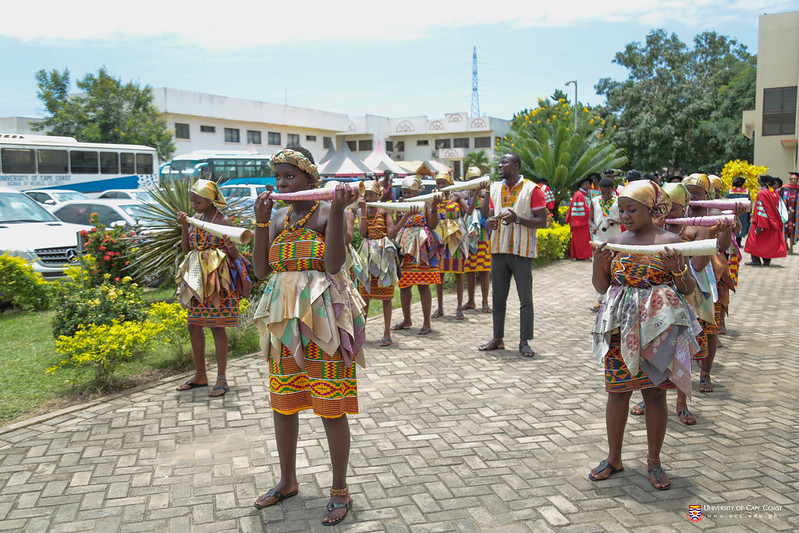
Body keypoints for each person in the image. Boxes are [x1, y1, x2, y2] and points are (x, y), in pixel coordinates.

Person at [250, 147, 366, 526]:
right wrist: (261, 223)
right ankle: (287, 480)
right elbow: (260, 269)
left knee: (330, 406)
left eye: (290, 177)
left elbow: (332, 264)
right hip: (284, 324)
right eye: (278, 177)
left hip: (323, 322)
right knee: (283, 404)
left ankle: (339, 489)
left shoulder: (331, 211)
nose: (282, 183)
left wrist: (336, 210)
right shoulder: (280, 216)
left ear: (310, 179)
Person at [589, 180, 699, 490]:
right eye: (621, 209)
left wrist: (677, 268)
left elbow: (688, 288)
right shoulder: (617, 241)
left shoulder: (669, 240)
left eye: (632, 209)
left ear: (651, 209)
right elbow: (603, 286)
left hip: (657, 328)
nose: (624, 215)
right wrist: (599, 264)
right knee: (617, 392)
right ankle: (614, 458)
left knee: (654, 393)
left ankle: (654, 461)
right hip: (620, 328)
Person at [630, 182, 712, 425]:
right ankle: (648, 396)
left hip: (682, 299)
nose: (667, 215)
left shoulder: (687, 232)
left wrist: (676, 267)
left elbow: (694, 270)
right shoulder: (647, 233)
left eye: (674, 209)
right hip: (652, 307)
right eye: (662, 209)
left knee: (680, 352)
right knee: (650, 352)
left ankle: (682, 402)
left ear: (685, 208)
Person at [175, 180, 251, 397]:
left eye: (197, 201)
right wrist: (184, 225)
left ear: (210, 200)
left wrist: (229, 244)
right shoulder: (196, 220)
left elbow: (235, 254)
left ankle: (221, 378)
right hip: (198, 279)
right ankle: (200, 375)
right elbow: (187, 248)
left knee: (217, 327)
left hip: (218, 281)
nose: (194, 205)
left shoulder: (224, 221)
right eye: (192, 202)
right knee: (193, 325)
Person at [477, 152, 548, 358]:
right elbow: (488, 216)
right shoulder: (495, 188)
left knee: (525, 299)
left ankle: (524, 341)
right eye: (499, 162)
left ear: (516, 166)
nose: (500, 165)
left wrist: (518, 219)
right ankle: (497, 339)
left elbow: (542, 221)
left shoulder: (532, 189)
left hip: (522, 251)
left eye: (504, 162)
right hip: (498, 250)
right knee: (498, 298)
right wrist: (489, 223)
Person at [389, 175, 442, 335]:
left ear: (418, 191)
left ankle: (427, 322)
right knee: (404, 286)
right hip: (405, 250)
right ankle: (407, 319)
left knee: (423, 286)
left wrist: (433, 206)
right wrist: (400, 211)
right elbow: (397, 226)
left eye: (409, 192)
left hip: (422, 248)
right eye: (404, 192)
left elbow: (433, 224)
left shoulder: (426, 203)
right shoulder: (402, 204)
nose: (406, 196)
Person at [355, 180, 399, 347]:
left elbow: (391, 233)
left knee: (386, 297)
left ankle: (387, 333)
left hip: (384, 255)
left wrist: (406, 216)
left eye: (372, 194)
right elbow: (363, 232)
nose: (369, 197)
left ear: (379, 195)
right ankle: (361, 333)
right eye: (366, 194)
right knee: (364, 296)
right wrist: (364, 211)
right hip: (368, 254)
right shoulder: (360, 210)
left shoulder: (385, 209)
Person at [432, 171, 469, 319]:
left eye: (444, 183)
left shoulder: (457, 197)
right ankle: (440, 308)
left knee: (459, 274)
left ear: (449, 184)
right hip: (441, 240)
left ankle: (459, 307)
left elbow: (470, 211)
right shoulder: (434, 198)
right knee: (439, 275)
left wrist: (477, 192)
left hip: (456, 240)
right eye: (438, 183)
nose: (441, 186)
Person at [589, 177, 622, 311]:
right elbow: (590, 220)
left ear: (612, 190)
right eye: (603, 193)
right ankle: (600, 299)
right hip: (599, 240)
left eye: (608, 193)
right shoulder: (595, 201)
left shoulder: (618, 202)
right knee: (598, 268)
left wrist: (614, 221)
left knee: (614, 266)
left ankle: (614, 298)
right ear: (600, 191)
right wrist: (593, 227)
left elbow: (625, 220)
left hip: (615, 240)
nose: (606, 195)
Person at [463, 167, 492, 313]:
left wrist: (485, 193)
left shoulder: (485, 193)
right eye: (470, 180)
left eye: (476, 180)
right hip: (468, 236)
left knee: (484, 269)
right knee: (469, 270)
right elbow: (467, 211)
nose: (473, 183)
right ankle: (471, 300)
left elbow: (486, 211)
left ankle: (485, 301)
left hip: (482, 235)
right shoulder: (464, 194)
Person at [745, 175, 787, 266]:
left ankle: (755, 260)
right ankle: (767, 261)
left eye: (760, 181)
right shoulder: (774, 192)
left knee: (755, 242)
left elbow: (762, 210)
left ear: (766, 183)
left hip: (762, 223)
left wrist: (760, 225)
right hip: (773, 222)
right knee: (768, 243)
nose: (759, 183)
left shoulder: (762, 193)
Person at [565, 177, 593, 260]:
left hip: (583, 222)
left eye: (588, 184)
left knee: (583, 241)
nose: (588, 186)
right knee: (581, 241)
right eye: (586, 184)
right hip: (580, 222)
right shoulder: (579, 195)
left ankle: (583, 256)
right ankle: (581, 256)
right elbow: (583, 209)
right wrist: (593, 211)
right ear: (581, 185)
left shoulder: (584, 194)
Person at [727, 177, 752, 247]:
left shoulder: (729, 192)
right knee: (742, 225)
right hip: (743, 212)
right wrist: (750, 212)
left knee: (732, 224)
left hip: (732, 211)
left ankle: (731, 241)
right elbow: (749, 203)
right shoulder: (746, 192)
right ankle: (738, 241)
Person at [781, 172, 799, 253]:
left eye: (795, 179)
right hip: (785, 213)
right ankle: (785, 246)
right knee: (784, 229)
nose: (793, 180)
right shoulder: (784, 188)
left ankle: (791, 247)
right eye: (791, 179)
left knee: (792, 230)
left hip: (796, 214)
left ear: (797, 180)